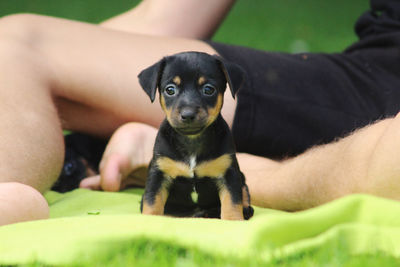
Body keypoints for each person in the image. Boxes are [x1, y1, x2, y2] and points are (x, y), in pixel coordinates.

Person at [0, 0, 399, 226]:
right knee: (17, 46)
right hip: (373, 61)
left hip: (383, 111)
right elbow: (159, 18)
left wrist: (239, 173)